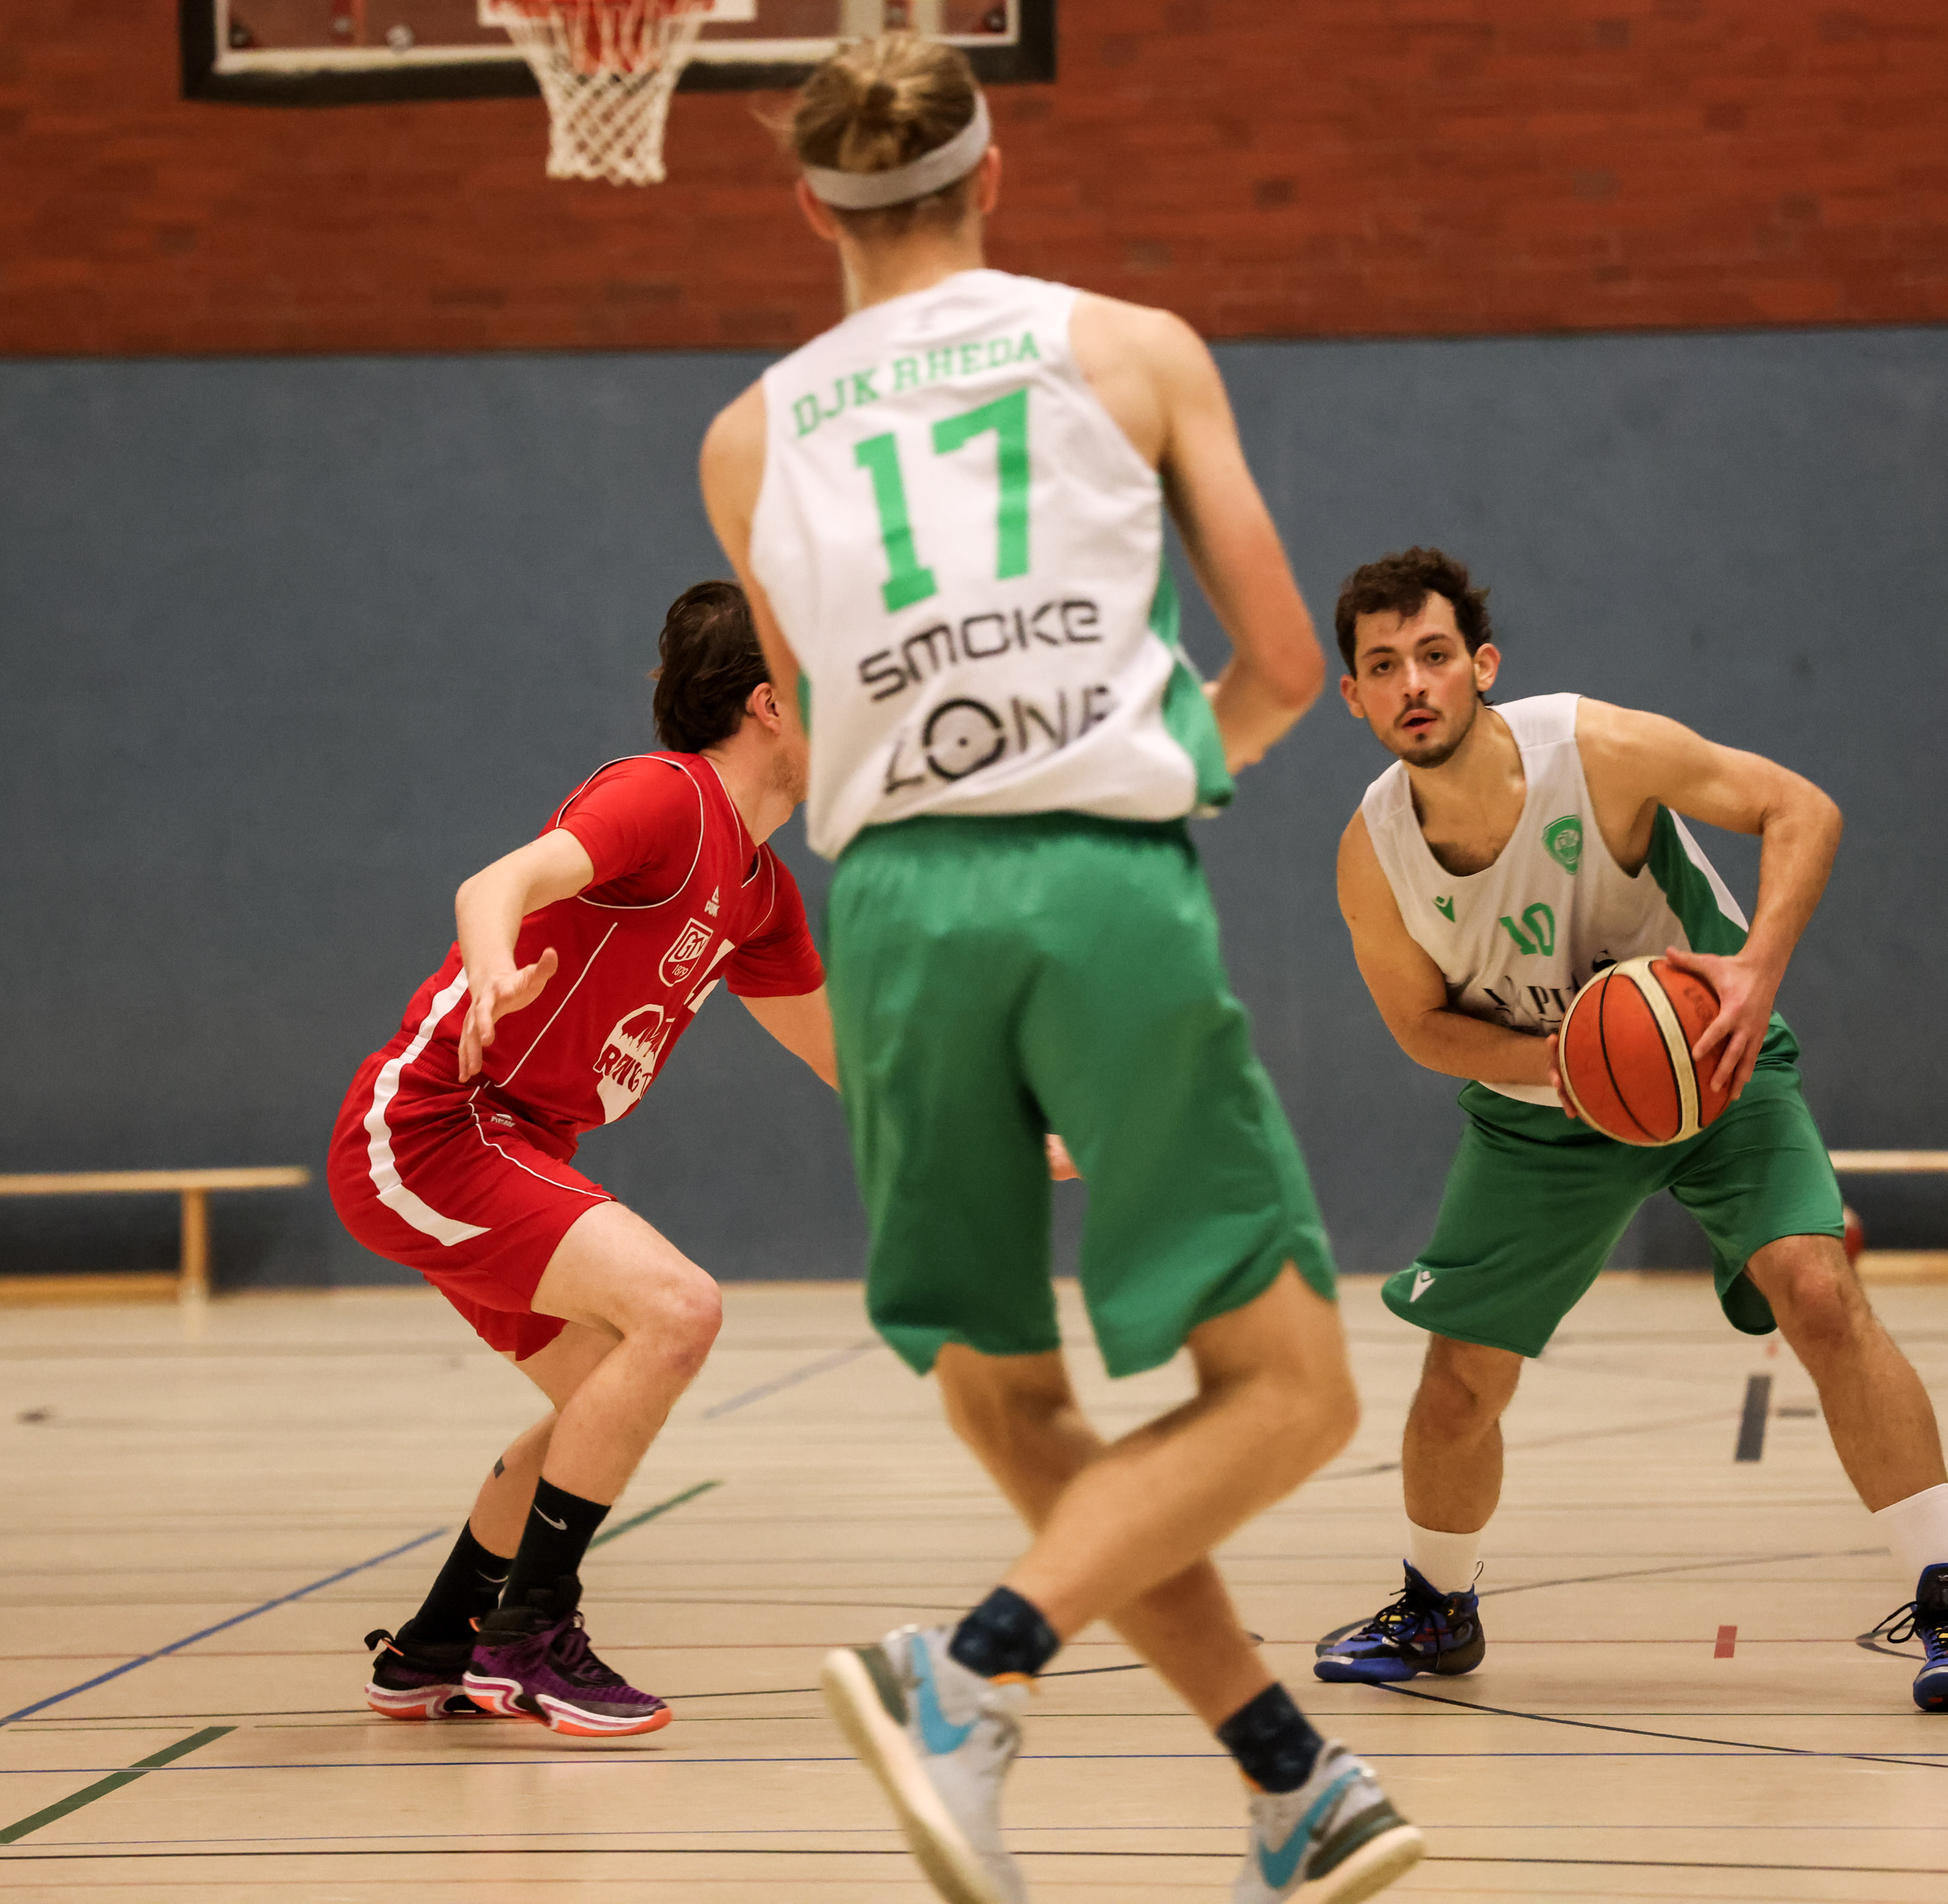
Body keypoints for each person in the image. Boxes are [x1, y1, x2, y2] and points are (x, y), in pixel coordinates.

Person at [698, 34, 1423, 1904]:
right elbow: (1285, 660)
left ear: (810, 205)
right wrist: (1157, 769)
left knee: (999, 1387)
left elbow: (816, 716)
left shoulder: (747, 438)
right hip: (1095, 879)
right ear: (991, 174)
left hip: (889, 906)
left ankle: (1290, 1774)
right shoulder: (1131, 349)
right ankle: (969, 1667)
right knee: (1293, 1389)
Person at [1319, 544, 1948, 1714]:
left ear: (1481, 665)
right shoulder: (1371, 851)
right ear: (1353, 695)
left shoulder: (1595, 749)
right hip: (1542, 1111)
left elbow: (1799, 809)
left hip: (1712, 1064)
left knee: (1818, 1292)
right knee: (1458, 1379)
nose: (1412, 683)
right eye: (1382, 666)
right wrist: (1560, 1065)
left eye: (1432, 654)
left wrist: (1756, 969)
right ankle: (1436, 1609)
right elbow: (1420, 1027)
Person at [330, 580, 834, 1738]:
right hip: (435, 1123)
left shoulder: (760, 890)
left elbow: (841, 1057)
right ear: (769, 703)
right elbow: (495, 882)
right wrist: (492, 966)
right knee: (678, 1308)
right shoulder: (668, 796)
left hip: (514, 1143)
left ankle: (436, 1644)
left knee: (598, 1390)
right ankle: (528, 1636)